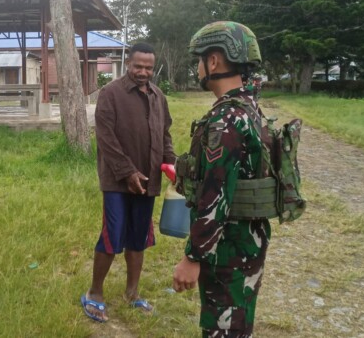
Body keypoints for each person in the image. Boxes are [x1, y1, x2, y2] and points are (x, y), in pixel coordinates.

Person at [172, 21, 270, 337]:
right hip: (246, 241)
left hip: (228, 249)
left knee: (225, 330)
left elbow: (216, 196)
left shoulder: (226, 119)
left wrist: (193, 256)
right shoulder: (249, 107)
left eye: (199, 60)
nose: (197, 67)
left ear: (213, 61)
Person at [81, 42, 176, 323]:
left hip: (149, 181)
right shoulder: (111, 94)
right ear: (128, 65)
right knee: (113, 234)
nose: (143, 72)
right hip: (117, 181)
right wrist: (128, 172)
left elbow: (165, 135)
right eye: (138, 66)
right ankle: (94, 292)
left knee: (139, 238)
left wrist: (172, 164)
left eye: (148, 67)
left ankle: (132, 294)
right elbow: (106, 139)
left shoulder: (159, 96)